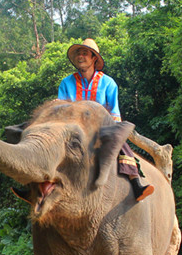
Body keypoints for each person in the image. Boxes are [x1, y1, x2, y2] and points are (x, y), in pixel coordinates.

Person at [58, 38, 154, 201]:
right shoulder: (67, 83)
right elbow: (61, 108)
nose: (81, 56)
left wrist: (111, 128)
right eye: (79, 54)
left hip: (101, 129)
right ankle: (38, 188)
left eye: (85, 53)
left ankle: (136, 183)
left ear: (94, 58)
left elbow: (114, 113)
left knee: (121, 144)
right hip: (73, 129)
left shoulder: (108, 83)